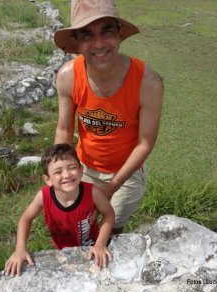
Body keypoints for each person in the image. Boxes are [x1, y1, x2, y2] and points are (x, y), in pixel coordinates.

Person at [53, 0, 164, 234]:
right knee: (80, 226)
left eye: (107, 31)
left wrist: (113, 185)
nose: (99, 43)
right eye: (87, 35)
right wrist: (62, 172)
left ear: (120, 34)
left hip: (126, 171)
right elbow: (64, 129)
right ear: (76, 42)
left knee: (111, 227)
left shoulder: (148, 83)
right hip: (83, 166)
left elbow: (145, 144)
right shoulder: (68, 76)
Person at [4, 143, 115, 276]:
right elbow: (25, 219)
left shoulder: (92, 192)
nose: (67, 174)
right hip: (63, 251)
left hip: (93, 248)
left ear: (81, 171)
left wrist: (101, 243)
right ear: (47, 179)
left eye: (72, 168)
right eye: (58, 172)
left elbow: (109, 213)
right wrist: (20, 248)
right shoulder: (44, 196)